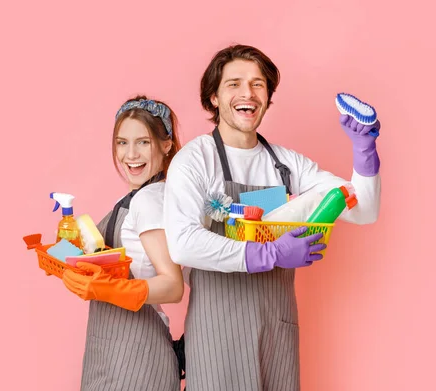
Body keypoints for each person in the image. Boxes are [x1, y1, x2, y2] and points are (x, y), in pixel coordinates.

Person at [163, 45, 382, 390]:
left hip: (277, 331)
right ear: (214, 97)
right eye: (233, 84)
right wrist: (269, 254)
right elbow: (182, 244)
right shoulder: (195, 160)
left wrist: (364, 151)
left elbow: (363, 211)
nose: (247, 93)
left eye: (258, 84)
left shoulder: (287, 164)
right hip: (218, 333)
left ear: (267, 96)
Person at [62, 95, 185, 391]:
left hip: (136, 353)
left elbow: (173, 286)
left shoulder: (149, 200)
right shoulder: (132, 198)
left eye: (143, 142)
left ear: (166, 146)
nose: (131, 154)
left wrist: (108, 288)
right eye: (122, 142)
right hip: (114, 348)